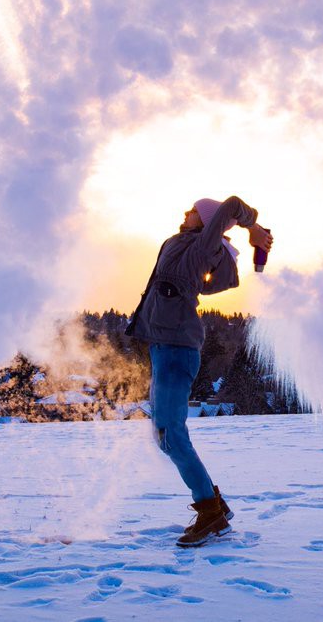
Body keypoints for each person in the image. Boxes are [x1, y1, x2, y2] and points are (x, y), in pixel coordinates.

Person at [127, 196, 273, 547]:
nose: (185, 213)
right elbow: (206, 283)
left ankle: (211, 513)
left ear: (207, 223)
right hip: (163, 348)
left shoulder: (200, 247)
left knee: (172, 435)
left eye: (193, 211)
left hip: (177, 350)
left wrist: (250, 227)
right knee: (165, 437)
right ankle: (214, 505)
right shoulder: (179, 245)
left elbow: (233, 204)